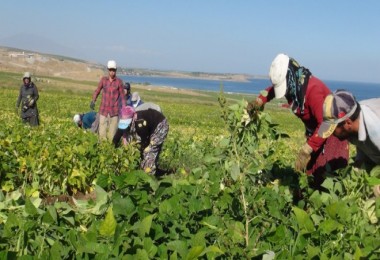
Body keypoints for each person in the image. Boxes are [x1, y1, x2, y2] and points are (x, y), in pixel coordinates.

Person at [247, 53, 349, 187]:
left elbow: (327, 123)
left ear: (290, 76)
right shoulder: (294, 87)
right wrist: (259, 101)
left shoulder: (313, 90)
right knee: (308, 179)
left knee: (326, 183)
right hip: (316, 135)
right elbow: (271, 90)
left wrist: (308, 148)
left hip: (333, 136)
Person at [318, 89, 380, 197]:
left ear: (347, 123)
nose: (331, 133)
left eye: (333, 129)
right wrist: (359, 161)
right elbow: (362, 141)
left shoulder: (376, 130)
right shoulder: (353, 115)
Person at [113, 106, 169, 175]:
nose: (125, 125)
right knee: (141, 150)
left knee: (149, 151)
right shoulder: (126, 119)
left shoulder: (140, 122)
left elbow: (145, 141)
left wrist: (142, 151)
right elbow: (118, 135)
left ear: (132, 119)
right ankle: (149, 169)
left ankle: (149, 176)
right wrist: (113, 147)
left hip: (160, 125)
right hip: (148, 129)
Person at [90, 60, 126, 141]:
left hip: (114, 112)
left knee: (112, 135)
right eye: (110, 70)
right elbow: (97, 91)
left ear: (116, 70)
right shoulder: (103, 80)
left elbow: (123, 96)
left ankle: (110, 150)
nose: (112, 72)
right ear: (108, 70)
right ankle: (103, 149)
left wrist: (124, 109)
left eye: (113, 70)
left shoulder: (119, 82)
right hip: (103, 110)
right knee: (102, 133)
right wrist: (93, 100)